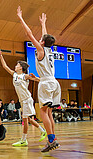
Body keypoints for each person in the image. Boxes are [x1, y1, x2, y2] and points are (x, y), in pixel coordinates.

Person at [18, 7, 60, 152]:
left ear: (41, 42)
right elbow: (45, 37)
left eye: (41, 39)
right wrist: (43, 24)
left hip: (46, 83)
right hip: (54, 82)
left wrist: (20, 18)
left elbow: (29, 33)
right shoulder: (49, 50)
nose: (39, 39)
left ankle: (51, 139)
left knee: (42, 112)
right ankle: (53, 138)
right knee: (49, 113)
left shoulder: (41, 50)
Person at [0, 47, 47, 147]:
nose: (15, 66)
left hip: (27, 100)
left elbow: (38, 80)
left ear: (21, 67)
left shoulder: (25, 76)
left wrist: (36, 78)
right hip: (22, 100)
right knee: (28, 120)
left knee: (25, 120)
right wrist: (0, 55)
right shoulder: (14, 74)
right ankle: (42, 131)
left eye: (17, 65)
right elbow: (4, 66)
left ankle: (24, 140)